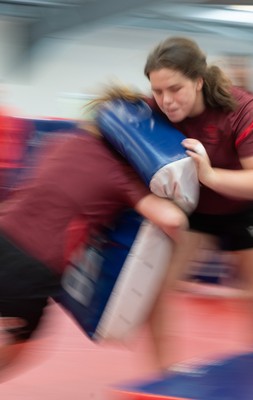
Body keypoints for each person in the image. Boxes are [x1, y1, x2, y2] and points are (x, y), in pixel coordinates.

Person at [0, 89, 189, 378]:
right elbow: (172, 220)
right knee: (22, 342)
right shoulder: (119, 175)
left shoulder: (64, 140)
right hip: (32, 268)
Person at [142, 36, 253, 369]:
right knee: (156, 293)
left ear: (199, 80)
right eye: (158, 91)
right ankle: (164, 380)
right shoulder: (153, 109)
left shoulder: (240, 108)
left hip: (242, 204)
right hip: (192, 208)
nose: (166, 100)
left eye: (175, 89)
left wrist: (211, 175)